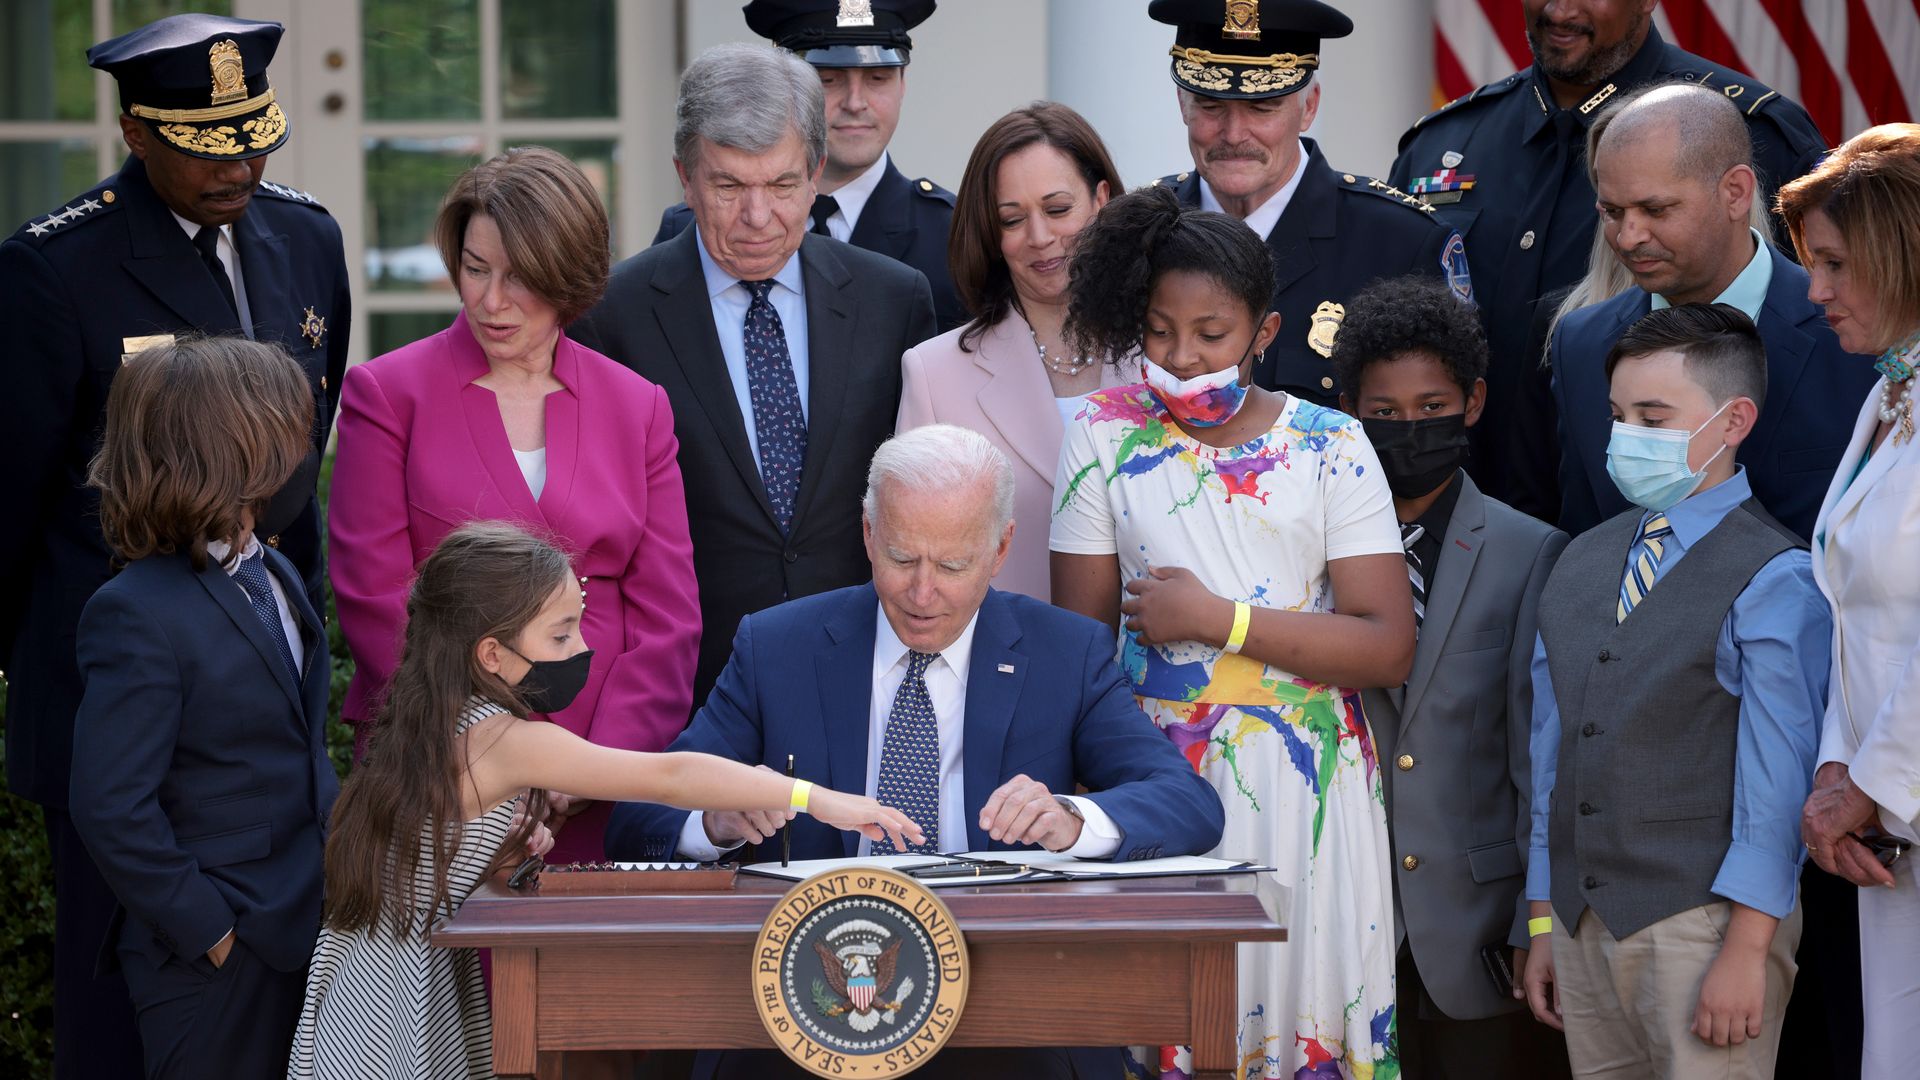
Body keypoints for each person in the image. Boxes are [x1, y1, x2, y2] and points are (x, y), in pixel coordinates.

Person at [607, 424, 1222, 1078]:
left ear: (1001, 548)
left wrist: (1074, 820)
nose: (922, 593)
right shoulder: (778, 647)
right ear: (869, 536)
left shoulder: (1064, 654)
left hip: (1010, 998)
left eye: (953, 565)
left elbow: (1189, 806)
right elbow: (638, 819)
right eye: (902, 558)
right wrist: (716, 820)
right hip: (811, 1001)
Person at [0, 15, 349, 1076]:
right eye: (208, 146)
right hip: (122, 686)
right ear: (137, 133)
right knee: (128, 1025)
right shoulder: (54, 268)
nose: (239, 165)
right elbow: (12, 496)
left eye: (254, 140)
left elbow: (301, 454)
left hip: (261, 654)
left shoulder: (309, 238)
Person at [289, 521, 917, 1080]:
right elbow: (669, 778)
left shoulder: (443, 720)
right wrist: (816, 798)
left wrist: (506, 849)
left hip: (386, 968)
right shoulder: (504, 739)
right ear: (491, 654)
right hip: (394, 997)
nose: (581, 650)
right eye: (561, 636)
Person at [1051, 186, 1413, 1079]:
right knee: (1173, 1022)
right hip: (1155, 775)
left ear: (1264, 331)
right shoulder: (1100, 432)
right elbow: (1076, 650)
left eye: (1211, 336)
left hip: (1309, 786)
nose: (1181, 358)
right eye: (1160, 332)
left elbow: (1384, 643)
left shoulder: (1332, 444)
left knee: (1303, 1017)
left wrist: (1220, 620)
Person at [327, 146, 699, 864]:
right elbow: (374, 598)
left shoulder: (638, 405)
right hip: (444, 767)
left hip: (604, 775)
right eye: (475, 269)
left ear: (571, 276)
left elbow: (670, 615)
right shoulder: (386, 394)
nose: (492, 301)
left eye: (522, 277)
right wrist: (493, 745)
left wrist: (596, 759)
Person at [572, 44, 937, 713]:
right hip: (686, 695)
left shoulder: (893, 301)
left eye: (782, 185)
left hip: (864, 684)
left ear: (817, 172)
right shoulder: (611, 317)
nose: (759, 218)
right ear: (684, 176)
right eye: (730, 187)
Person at [1521, 305, 1826, 1079]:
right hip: (1584, 922)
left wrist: (1749, 948)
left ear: (1733, 422)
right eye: (1620, 416)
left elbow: (1778, 780)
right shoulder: (1580, 560)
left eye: (1654, 418)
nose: (1629, 436)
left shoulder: (1776, 575)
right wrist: (1545, 919)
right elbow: (1549, 753)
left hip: (1707, 922)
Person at [1390, 0, 1826, 521]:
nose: (1559, 8)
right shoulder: (1446, 142)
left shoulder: (1755, 133)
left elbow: (1809, 313)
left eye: (1657, 209)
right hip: (1473, 518)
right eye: (1612, 212)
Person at [68, 336, 338, 1080]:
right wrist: (211, 931)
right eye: (285, 431)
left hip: (306, 922)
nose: (300, 449)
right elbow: (111, 804)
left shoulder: (273, 568)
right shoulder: (134, 612)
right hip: (216, 959)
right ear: (226, 449)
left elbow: (299, 746)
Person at [1333, 278, 1572, 1079]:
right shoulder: (1310, 548)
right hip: (1344, 919)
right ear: (1348, 412)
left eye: (1431, 408)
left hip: (1476, 930)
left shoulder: (1529, 550)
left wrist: (1534, 919)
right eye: (1385, 414)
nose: (1408, 431)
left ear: (1472, 402)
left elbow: (1536, 756)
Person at [1553, 85, 1875, 541]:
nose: (1627, 237)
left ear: (1735, 192)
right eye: (1612, 212)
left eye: (1655, 209)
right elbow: (1584, 541)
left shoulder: (1855, 335)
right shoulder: (1581, 345)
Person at [1780, 123, 1920, 1080]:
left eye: (1834, 264)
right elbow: (1855, 612)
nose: (1816, 291)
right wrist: (1838, 773)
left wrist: (1871, 783)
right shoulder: (1888, 396)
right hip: (1889, 834)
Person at [1146, 0, 1471, 412]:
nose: (1233, 133)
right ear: (1182, 104)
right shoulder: (1141, 234)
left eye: (1262, 108)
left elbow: (1435, 441)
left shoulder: (1402, 244)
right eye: (1211, 106)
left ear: (1309, 107)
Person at [895, 102, 1123, 600]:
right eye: (1012, 219)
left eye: (1058, 210)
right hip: (1006, 666)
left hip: (1160, 670)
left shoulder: (1168, 354)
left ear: (1101, 199)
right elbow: (914, 555)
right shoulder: (934, 373)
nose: (1040, 238)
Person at [652, 0, 963, 330]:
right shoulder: (691, 225)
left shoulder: (951, 233)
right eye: (828, 79)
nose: (856, 103)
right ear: (783, 91)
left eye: (877, 77)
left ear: (903, 83)